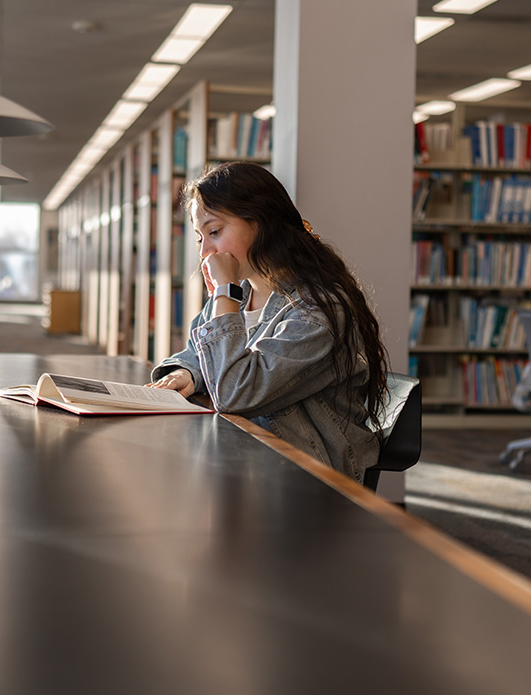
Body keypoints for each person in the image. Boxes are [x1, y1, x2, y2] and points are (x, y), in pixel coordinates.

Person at [149, 161, 389, 482]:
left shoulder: (320, 308)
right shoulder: (242, 292)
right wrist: (188, 373)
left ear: (260, 223)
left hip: (308, 475)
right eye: (198, 237)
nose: (206, 251)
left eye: (215, 232)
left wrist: (223, 292)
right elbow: (197, 350)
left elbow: (237, 394)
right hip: (249, 459)